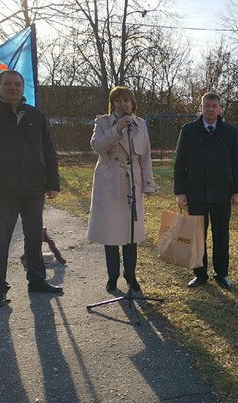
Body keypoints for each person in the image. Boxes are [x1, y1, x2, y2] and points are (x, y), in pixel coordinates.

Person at [0, 69, 62, 308]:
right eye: (8, 84)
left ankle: (37, 281)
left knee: (33, 238)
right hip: (2, 192)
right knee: (1, 241)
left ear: (23, 88)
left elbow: (49, 151)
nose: (13, 88)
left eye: (17, 84)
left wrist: (53, 183)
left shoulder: (36, 116)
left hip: (33, 189)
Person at [87, 86, 155, 294]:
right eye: (118, 101)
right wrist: (117, 129)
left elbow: (146, 157)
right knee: (111, 233)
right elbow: (97, 146)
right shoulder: (102, 122)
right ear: (112, 103)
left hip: (131, 182)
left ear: (132, 103)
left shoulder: (140, 125)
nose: (122, 104)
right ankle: (112, 277)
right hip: (108, 181)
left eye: (126, 100)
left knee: (130, 234)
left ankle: (131, 276)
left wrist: (148, 183)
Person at [173, 92, 238, 290]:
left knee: (221, 235)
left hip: (223, 193)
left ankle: (221, 274)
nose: (211, 109)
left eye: (214, 106)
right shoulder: (189, 131)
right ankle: (200, 274)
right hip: (196, 193)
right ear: (201, 107)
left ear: (220, 109)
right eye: (207, 105)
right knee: (197, 235)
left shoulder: (230, 132)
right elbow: (179, 164)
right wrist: (180, 192)